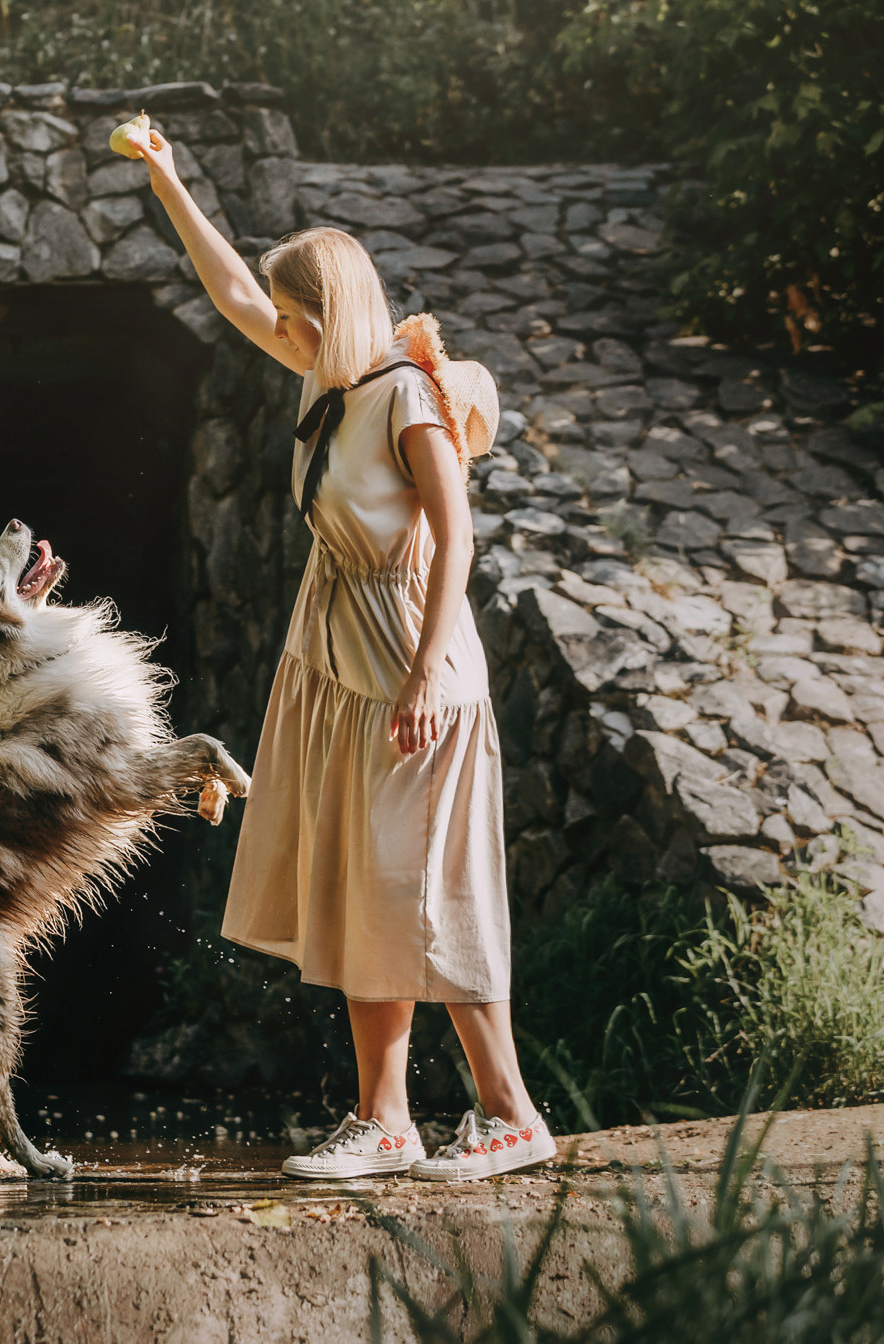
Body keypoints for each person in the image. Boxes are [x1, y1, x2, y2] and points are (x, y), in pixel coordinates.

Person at [135, 126, 552, 1182]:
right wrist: (170, 180)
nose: (274, 327)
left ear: (327, 317)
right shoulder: (327, 386)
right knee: (374, 893)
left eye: (291, 314)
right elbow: (232, 296)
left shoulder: (401, 396)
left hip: (417, 679)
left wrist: (417, 675)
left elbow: (455, 537)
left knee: (429, 888)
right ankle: (387, 1121)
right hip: (347, 678)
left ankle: (509, 1115)